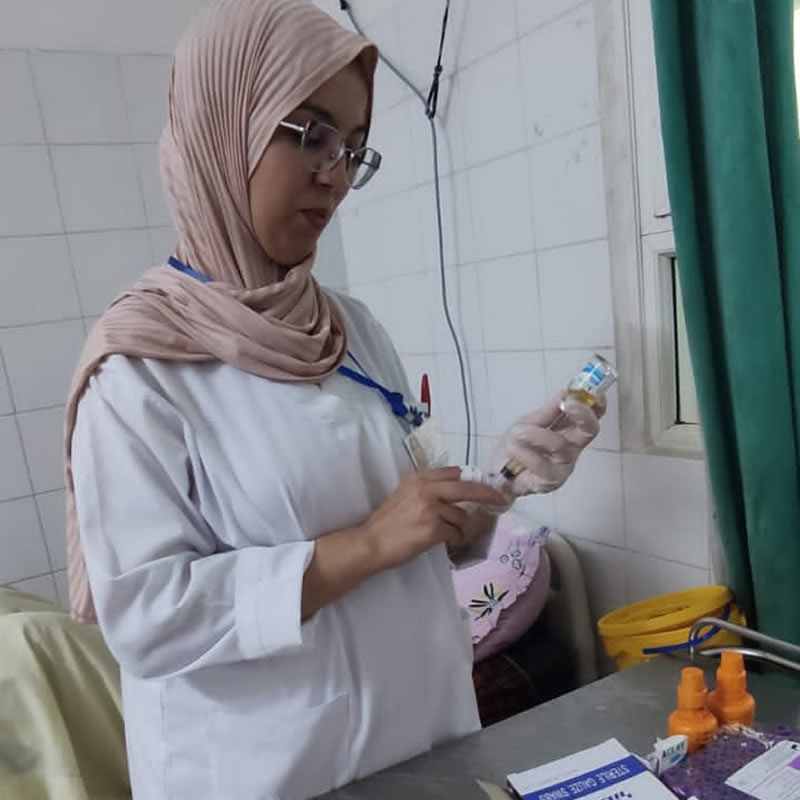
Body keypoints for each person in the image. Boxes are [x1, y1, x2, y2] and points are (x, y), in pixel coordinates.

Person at [65, 1, 602, 798]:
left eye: (353, 147)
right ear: (226, 127)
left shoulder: (351, 329)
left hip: (425, 746)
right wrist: (368, 543)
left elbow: (415, 527)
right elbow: (148, 618)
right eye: (312, 135)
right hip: (266, 773)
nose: (336, 174)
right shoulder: (139, 370)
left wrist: (499, 483)